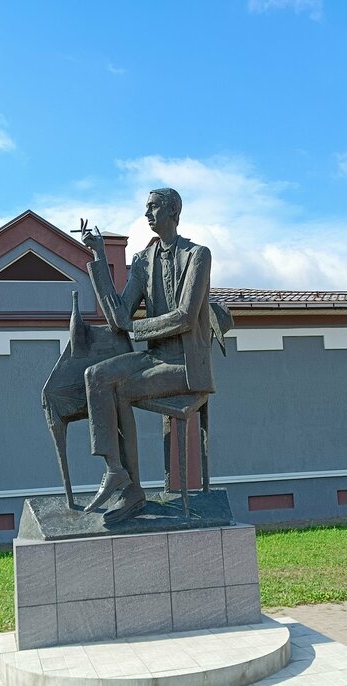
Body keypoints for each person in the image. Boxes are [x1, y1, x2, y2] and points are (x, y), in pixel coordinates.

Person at [82, 188, 214, 520]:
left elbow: (185, 316)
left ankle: (132, 492)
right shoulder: (142, 261)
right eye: (146, 208)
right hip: (155, 358)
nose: (147, 213)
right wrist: (98, 258)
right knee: (95, 376)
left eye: (153, 207)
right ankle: (116, 470)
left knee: (120, 390)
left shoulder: (198, 254)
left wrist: (138, 329)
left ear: (173, 211)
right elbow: (119, 318)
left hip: (184, 364)